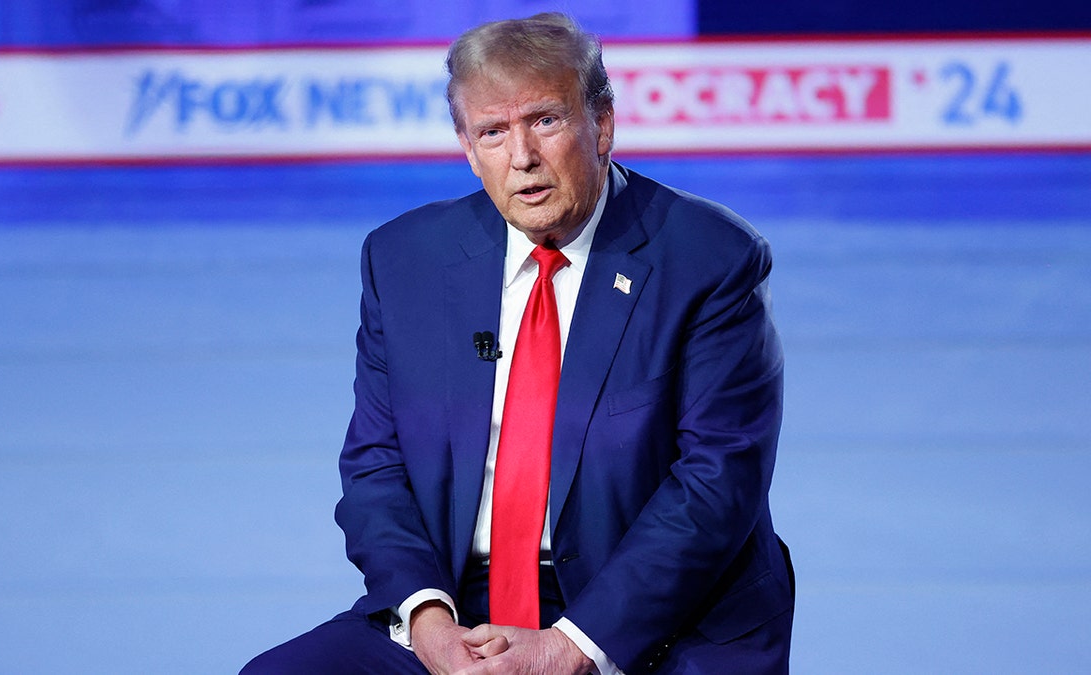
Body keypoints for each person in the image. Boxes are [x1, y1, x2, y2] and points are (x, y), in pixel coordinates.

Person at [243, 12, 793, 675]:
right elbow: (375, 466)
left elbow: (716, 485)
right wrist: (428, 619)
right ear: (468, 148)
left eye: (545, 121)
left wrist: (569, 646)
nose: (522, 157)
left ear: (604, 125)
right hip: (461, 604)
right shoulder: (404, 261)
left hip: (660, 619)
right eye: (493, 132)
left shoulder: (710, 260)